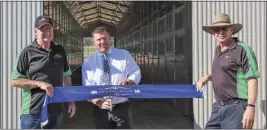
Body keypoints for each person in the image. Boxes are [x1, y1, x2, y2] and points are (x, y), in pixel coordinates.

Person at [10, 15, 76, 129]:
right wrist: (40, 84)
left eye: (49, 29)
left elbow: (66, 76)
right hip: (33, 113)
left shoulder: (59, 50)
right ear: (35, 31)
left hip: (55, 111)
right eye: (43, 29)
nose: (47, 32)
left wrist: (71, 100)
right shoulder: (27, 52)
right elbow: (15, 81)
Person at [196, 13, 260, 129]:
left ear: (231, 30)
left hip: (236, 108)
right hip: (218, 107)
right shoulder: (218, 50)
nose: (220, 32)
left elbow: (252, 79)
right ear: (213, 33)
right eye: (217, 29)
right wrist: (206, 77)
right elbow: (223, 73)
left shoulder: (242, 49)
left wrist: (251, 107)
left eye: (224, 28)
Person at [82, 26, 141, 129]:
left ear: (110, 40)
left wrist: (128, 81)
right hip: (100, 110)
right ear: (93, 43)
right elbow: (87, 88)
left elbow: (136, 72)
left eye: (105, 38)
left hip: (122, 107)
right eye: (99, 39)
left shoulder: (124, 55)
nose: (102, 41)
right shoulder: (89, 62)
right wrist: (98, 102)